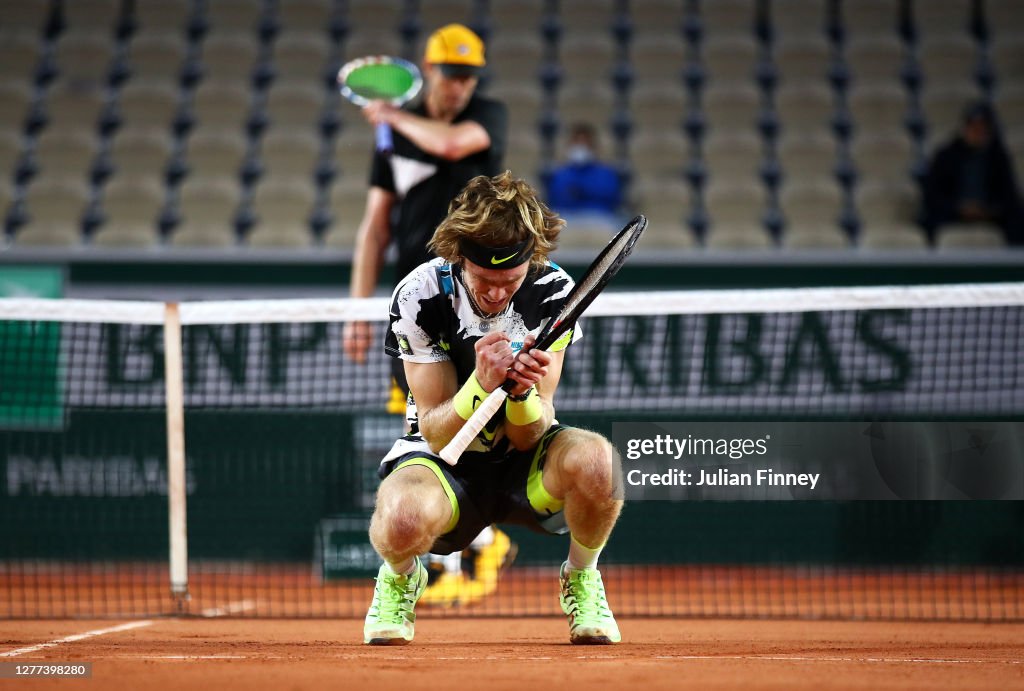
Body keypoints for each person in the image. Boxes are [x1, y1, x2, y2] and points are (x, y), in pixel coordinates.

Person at [362, 172, 623, 646]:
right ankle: (402, 578)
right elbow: (438, 432)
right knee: (399, 518)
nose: (498, 294)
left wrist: (522, 394)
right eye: (485, 279)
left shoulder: (552, 292)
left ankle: (582, 577)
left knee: (599, 462)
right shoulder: (421, 296)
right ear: (459, 258)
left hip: (526, 468)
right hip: (445, 464)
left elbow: (532, 432)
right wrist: (480, 386)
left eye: (511, 280)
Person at [341, 23, 513, 608]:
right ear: (429, 69)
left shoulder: (487, 115)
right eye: (451, 73)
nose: (461, 85)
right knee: (427, 424)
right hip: (415, 306)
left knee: (474, 425)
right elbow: (374, 228)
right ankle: (469, 552)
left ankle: (474, 552)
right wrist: (358, 310)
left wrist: (392, 117)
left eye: (469, 75)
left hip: (475, 296)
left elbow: (447, 145)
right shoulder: (392, 142)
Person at [920, 101, 1024, 246]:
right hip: (952, 214)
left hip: (990, 215)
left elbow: (1009, 196)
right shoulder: (945, 155)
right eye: (973, 127)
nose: (977, 132)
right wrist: (959, 208)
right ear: (965, 128)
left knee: (1018, 220)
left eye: (982, 128)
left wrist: (988, 210)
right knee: (927, 221)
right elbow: (932, 196)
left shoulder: (998, 158)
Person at [544, 122, 625, 230]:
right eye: (577, 143)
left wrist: (581, 190)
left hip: (600, 218)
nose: (581, 147)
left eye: (585, 144)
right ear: (570, 145)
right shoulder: (561, 173)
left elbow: (612, 198)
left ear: (593, 147)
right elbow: (556, 197)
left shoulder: (606, 173)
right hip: (568, 218)